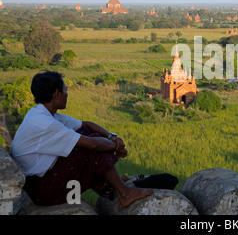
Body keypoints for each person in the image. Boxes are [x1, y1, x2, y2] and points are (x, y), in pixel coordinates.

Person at [10, 71, 171, 208]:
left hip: (41, 183)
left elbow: (86, 124)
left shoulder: (42, 113)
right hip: (43, 191)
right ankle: (125, 192)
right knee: (91, 145)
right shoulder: (44, 123)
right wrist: (115, 146)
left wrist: (112, 137)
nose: (68, 93)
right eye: (65, 89)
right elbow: (93, 144)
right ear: (56, 94)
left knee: (85, 132)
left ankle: (110, 182)